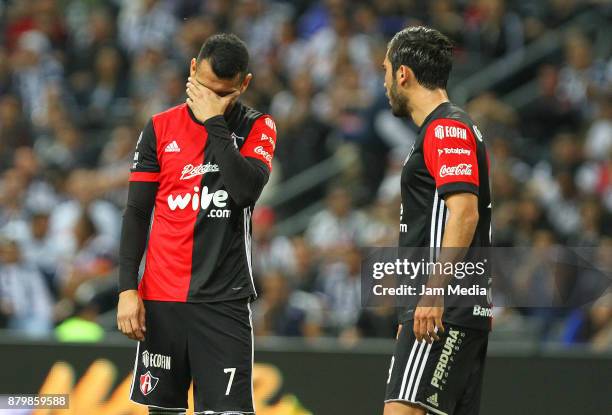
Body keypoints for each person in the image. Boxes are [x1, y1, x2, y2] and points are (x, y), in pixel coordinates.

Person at [116, 33, 277, 415]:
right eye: (204, 88)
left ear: (244, 84)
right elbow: (137, 212)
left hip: (223, 301)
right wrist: (126, 289)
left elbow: (243, 192)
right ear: (192, 69)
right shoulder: (158, 128)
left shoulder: (259, 126)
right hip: (162, 301)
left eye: (223, 94)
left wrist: (214, 122)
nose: (210, 98)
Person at [381, 27, 492, 415]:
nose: (383, 82)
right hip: (453, 308)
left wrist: (431, 294)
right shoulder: (444, 128)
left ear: (403, 74)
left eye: (385, 71)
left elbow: (464, 211)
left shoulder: (445, 127)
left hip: (443, 310)